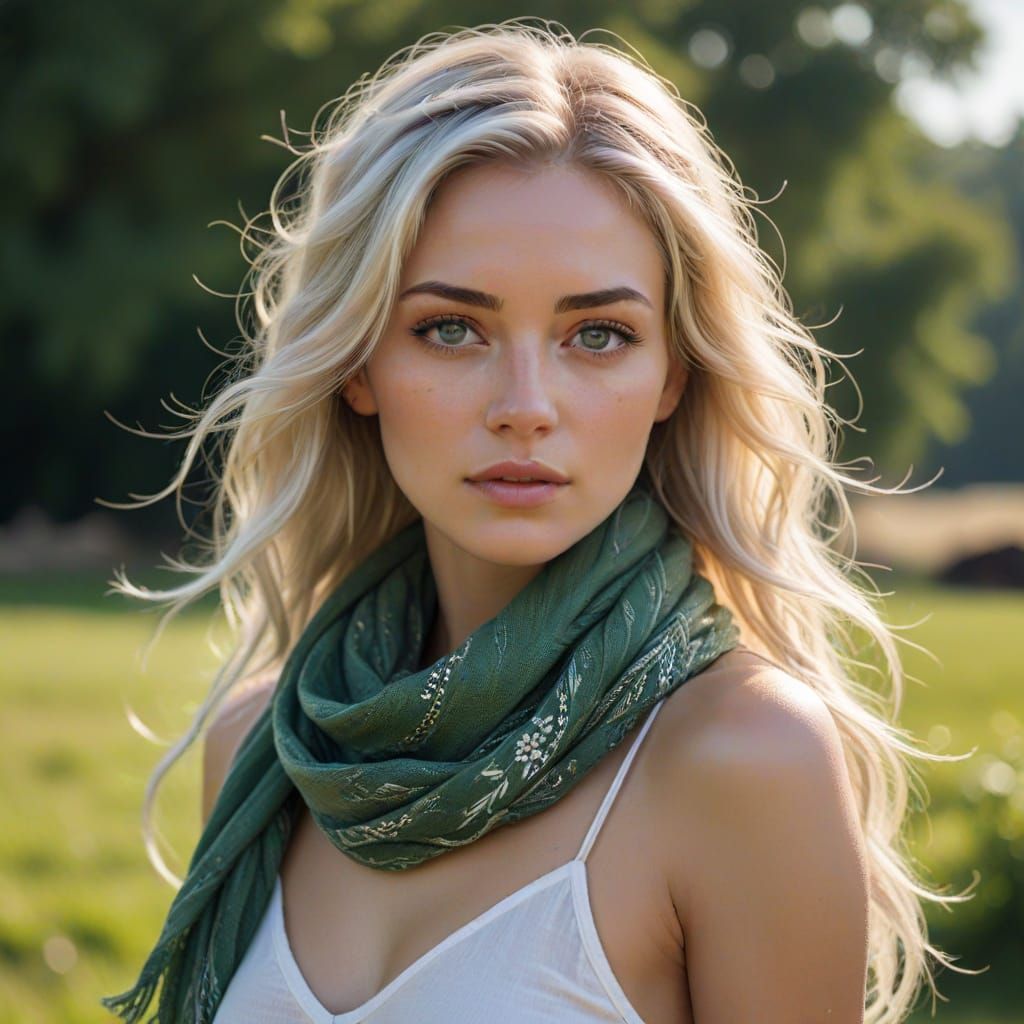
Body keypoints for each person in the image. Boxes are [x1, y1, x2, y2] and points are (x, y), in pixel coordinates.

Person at [102, 18, 973, 1024]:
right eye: (450, 328)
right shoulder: (268, 745)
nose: (525, 402)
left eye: (596, 334)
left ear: (671, 375)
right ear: (356, 365)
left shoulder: (742, 760)